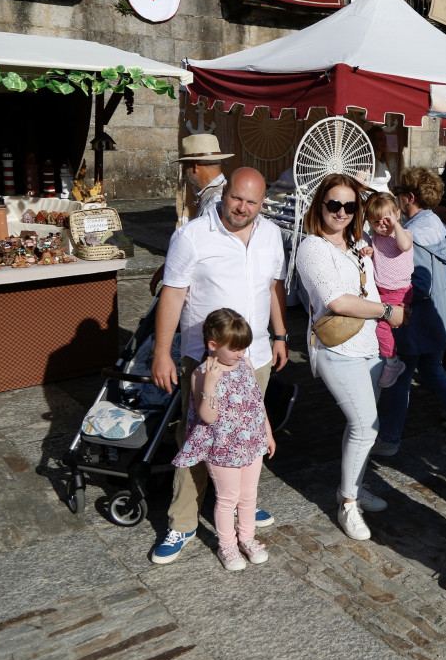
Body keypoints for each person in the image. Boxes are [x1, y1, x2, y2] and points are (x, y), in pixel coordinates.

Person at [150, 167, 287, 564]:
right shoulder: (192, 236)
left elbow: (274, 287)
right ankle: (183, 522)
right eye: (236, 198)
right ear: (224, 193)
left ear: (263, 204)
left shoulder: (271, 234)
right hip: (207, 360)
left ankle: (241, 504)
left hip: (254, 356)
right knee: (197, 439)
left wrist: (279, 336)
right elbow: (172, 295)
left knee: (248, 435)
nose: (242, 208)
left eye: (252, 202)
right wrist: (162, 353)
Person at [295, 173, 404, 540]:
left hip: (369, 346)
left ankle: (355, 484)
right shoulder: (312, 247)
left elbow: (390, 214)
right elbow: (337, 301)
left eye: (349, 205)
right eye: (333, 204)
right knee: (364, 425)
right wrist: (387, 312)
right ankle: (347, 503)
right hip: (335, 349)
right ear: (319, 205)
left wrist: (370, 189)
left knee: (360, 428)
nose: (340, 212)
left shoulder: (359, 242)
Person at [373, 168, 446, 457]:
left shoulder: (413, 234)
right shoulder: (435, 223)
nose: (396, 200)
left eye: (399, 195)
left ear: (409, 197)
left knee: (400, 375)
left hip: (417, 319)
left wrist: (392, 303)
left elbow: (418, 283)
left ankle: (389, 439)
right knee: (430, 372)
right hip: (440, 318)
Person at [172, 309, 275, 571]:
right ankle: (227, 545)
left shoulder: (246, 365)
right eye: (235, 349)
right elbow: (207, 416)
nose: (241, 354)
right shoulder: (201, 374)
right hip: (222, 447)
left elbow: (256, 403)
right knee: (228, 497)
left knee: (249, 494)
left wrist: (267, 432)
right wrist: (210, 385)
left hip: (251, 442)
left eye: (244, 348)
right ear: (213, 346)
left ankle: (247, 538)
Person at [149, 133, 234, 295]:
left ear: (195, 166)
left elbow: (201, 254)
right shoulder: (218, 194)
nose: (186, 174)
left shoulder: (215, 202)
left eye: (185, 167)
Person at [361, 192, 414, 388]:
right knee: (381, 325)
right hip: (382, 290)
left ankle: (393, 363)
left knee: (382, 328)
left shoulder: (403, 234)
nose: (382, 225)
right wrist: (370, 252)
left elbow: (404, 245)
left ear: (397, 214)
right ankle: (389, 356)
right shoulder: (376, 238)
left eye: (386, 220)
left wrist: (396, 225)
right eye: (376, 222)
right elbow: (382, 257)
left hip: (398, 290)